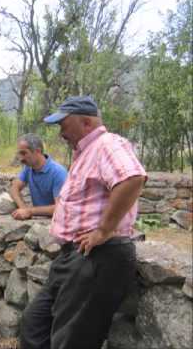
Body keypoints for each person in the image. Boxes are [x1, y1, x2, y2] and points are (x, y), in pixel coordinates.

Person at [19, 96, 147, 349]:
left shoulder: (107, 144)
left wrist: (103, 230)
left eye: (63, 125)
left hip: (98, 258)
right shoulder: (85, 153)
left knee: (71, 341)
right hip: (75, 257)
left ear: (86, 122)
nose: (60, 133)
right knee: (34, 326)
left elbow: (132, 179)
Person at [10, 133, 67, 219]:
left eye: (24, 153)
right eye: (20, 154)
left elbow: (60, 208)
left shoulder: (58, 172)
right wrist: (23, 208)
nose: (21, 158)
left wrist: (30, 211)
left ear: (38, 151)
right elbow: (14, 188)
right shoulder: (28, 168)